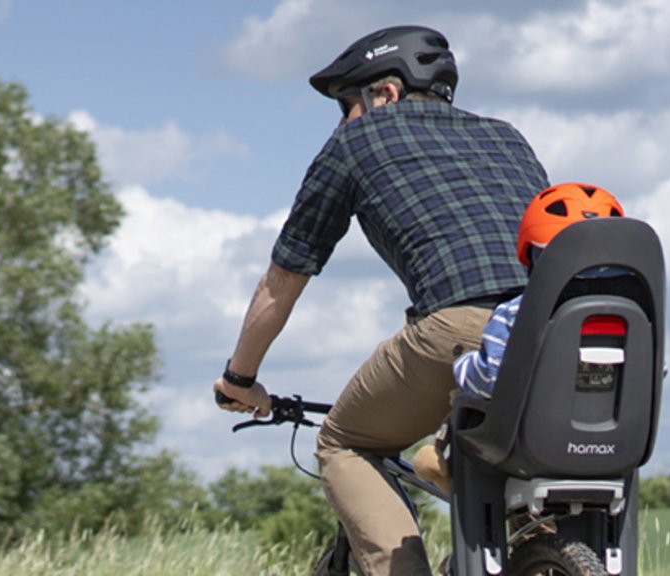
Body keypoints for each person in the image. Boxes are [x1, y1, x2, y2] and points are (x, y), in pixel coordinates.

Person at [211, 25, 550, 575]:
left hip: (463, 330)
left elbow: (283, 278)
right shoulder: (508, 138)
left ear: (386, 93)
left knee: (344, 444)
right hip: (554, 332)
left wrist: (240, 379)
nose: (343, 123)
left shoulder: (356, 142)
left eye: (346, 106)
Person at [409, 182, 627, 490]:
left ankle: (464, 492)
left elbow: (488, 379)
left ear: (531, 254)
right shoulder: (632, 318)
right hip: (615, 447)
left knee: (468, 405)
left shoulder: (517, 311)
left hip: (532, 446)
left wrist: (463, 365)